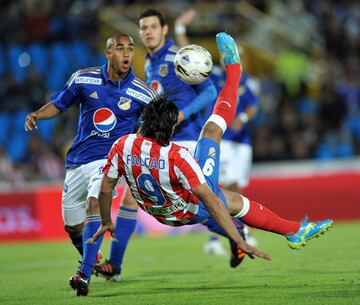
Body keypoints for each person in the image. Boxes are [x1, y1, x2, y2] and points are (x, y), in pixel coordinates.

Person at [88, 32, 332, 297]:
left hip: (157, 210)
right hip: (190, 209)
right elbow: (210, 201)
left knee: (233, 201)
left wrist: (104, 220)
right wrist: (241, 240)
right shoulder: (178, 156)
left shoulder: (123, 144)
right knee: (213, 132)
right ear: (171, 130)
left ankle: (294, 231)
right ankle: (234, 70)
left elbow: (105, 188)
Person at [24, 33, 157, 295]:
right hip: (77, 160)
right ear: (108, 53)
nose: (127, 54)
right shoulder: (83, 78)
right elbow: (60, 104)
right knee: (72, 224)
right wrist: (38, 114)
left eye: (130, 49)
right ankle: (91, 257)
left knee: (95, 200)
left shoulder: (142, 93)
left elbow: (157, 124)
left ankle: (83, 273)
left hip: (110, 160)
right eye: (120, 49)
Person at [94, 7, 217, 281]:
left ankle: (238, 231)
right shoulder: (149, 62)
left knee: (204, 204)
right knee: (131, 195)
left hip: (184, 138)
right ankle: (114, 264)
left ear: (164, 30)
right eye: (143, 28)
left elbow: (209, 91)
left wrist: (182, 115)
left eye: (153, 27)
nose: (148, 32)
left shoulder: (178, 57)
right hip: (161, 139)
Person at [174, 9, 259, 255]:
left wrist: (242, 118)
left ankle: (231, 232)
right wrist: (180, 30)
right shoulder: (215, 77)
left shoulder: (247, 83)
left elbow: (254, 106)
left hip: (242, 141)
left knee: (235, 189)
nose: (227, 59)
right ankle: (227, 235)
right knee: (220, 187)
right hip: (220, 138)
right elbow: (188, 58)